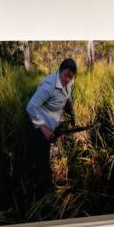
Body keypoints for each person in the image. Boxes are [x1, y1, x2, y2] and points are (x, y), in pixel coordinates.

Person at [22, 58, 77, 199]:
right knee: (42, 165)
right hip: (39, 127)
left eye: (71, 76)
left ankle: (41, 184)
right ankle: (41, 197)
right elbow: (30, 107)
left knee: (44, 155)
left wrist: (72, 115)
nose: (68, 79)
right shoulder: (48, 86)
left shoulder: (69, 82)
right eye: (66, 75)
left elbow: (68, 98)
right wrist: (44, 129)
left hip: (52, 124)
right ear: (60, 70)